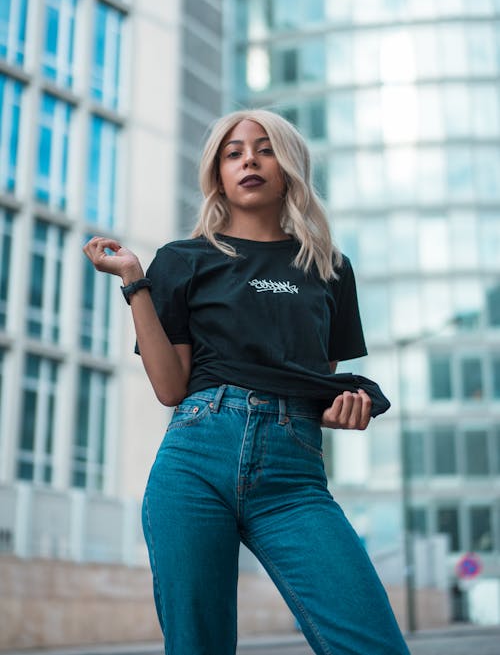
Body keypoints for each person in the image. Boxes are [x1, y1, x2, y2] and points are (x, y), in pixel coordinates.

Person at [83, 110, 410, 655]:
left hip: (294, 474)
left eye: (264, 149)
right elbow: (169, 387)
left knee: (371, 643)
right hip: (195, 456)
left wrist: (343, 405)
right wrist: (135, 280)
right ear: (218, 173)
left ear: (290, 168)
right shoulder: (182, 261)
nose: (249, 161)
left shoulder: (329, 267)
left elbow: (317, 382)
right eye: (233, 153)